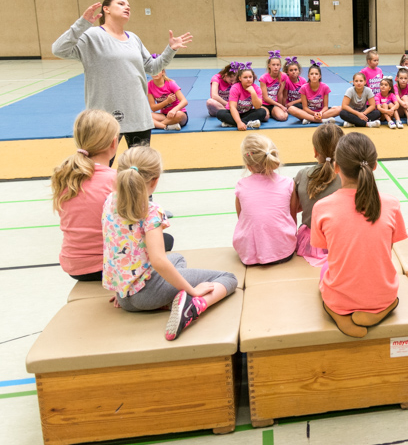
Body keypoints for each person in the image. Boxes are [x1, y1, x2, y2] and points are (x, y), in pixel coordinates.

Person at [102, 147, 237, 340]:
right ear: (155, 180)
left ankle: (170, 299)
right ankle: (193, 305)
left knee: (178, 259)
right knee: (228, 278)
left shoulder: (109, 201)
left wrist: (122, 286)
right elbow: (158, 261)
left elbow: (113, 247)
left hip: (124, 298)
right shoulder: (150, 211)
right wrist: (192, 290)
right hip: (145, 294)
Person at [51, 0, 192, 147]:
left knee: (140, 160)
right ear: (106, 9)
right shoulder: (92, 35)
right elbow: (59, 50)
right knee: (102, 161)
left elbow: (153, 68)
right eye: (121, 3)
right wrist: (82, 24)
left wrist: (170, 49)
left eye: (128, 5)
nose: (127, 7)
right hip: (105, 116)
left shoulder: (133, 38)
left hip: (137, 113)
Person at [53, 110, 172, 281]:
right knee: (165, 240)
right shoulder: (114, 179)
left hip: (74, 266)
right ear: (114, 142)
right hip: (107, 265)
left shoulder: (65, 176)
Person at [313, 133, 406, 338]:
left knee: (325, 269)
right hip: (383, 295)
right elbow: (385, 250)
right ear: (375, 165)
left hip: (338, 299)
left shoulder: (322, 207)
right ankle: (381, 309)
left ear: (336, 167)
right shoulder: (391, 204)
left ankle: (337, 313)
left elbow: (328, 250)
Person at [232, 134, 298, 266]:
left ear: (248, 166)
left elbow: (241, 218)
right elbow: (292, 217)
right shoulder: (288, 183)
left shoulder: (241, 185)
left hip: (248, 253)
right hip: (284, 252)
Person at [295, 124, 344, 267]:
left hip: (310, 244)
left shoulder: (302, 174)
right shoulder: (348, 177)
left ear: (315, 151)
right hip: (340, 241)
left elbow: (295, 209)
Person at [216, 64, 266, 130]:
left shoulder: (256, 88)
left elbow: (257, 107)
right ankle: (247, 123)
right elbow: (233, 107)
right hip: (233, 113)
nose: (248, 79)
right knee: (220, 113)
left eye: (250, 77)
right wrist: (239, 122)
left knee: (262, 112)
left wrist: (253, 93)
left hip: (246, 113)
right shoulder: (235, 88)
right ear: (240, 78)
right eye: (245, 77)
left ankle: (232, 123)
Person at [147, 67, 188, 131]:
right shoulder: (149, 85)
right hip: (164, 115)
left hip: (177, 113)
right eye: (152, 71)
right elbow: (153, 108)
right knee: (147, 116)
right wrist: (167, 101)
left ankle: (157, 125)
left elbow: (184, 101)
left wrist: (174, 110)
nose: (155, 73)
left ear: (162, 72)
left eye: (157, 71)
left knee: (179, 115)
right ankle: (166, 126)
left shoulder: (170, 83)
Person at [260, 52, 288, 122]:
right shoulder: (263, 78)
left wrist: (281, 106)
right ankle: (269, 113)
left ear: (280, 66)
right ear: (269, 65)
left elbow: (280, 93)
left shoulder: (283, 76)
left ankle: (274, 113)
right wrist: (280, 105)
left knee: (283, 117)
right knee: (265, 117)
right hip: (264, 104)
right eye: (273, 65)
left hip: (275, 104)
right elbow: (265, 98)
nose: (276, 67)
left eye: (277, 65)